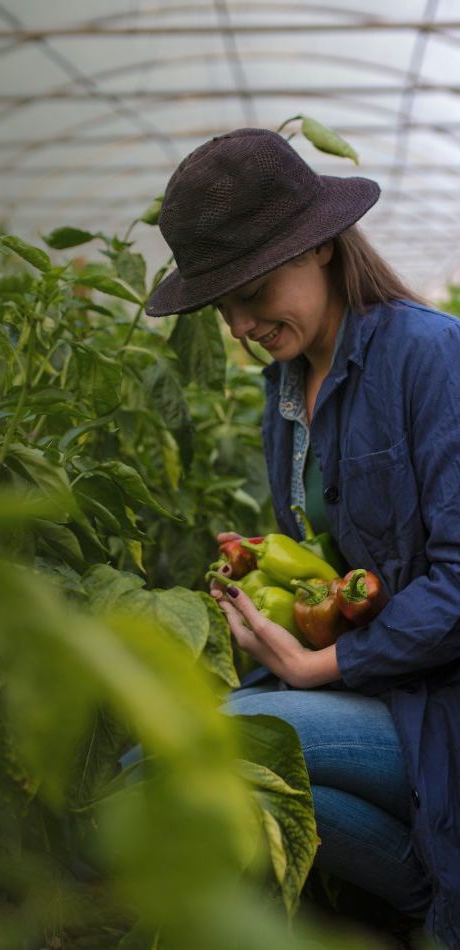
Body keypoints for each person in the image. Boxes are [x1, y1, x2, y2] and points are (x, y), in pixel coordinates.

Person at [144, 128, 460, 948]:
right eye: (223, 305)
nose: (242, 323)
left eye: (253, 289)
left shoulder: (429, 357)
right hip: (379, 695)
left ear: (320, 246)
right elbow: (343, 572)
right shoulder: (283, 396)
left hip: (439, 704)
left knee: (187, 748)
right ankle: (423, 906)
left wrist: (320, 665)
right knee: (238, 775)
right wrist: (265, 585)